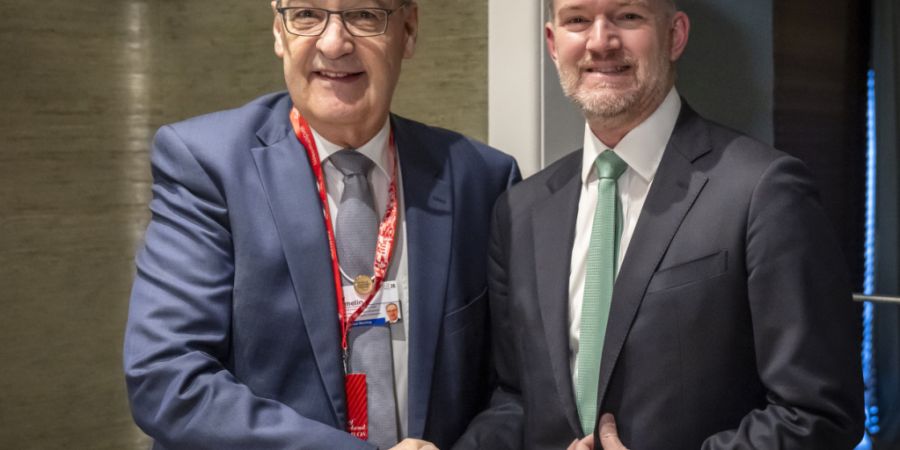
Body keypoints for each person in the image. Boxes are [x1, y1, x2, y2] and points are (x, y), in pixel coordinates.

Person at [455, 0, 864, 449]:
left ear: (675, 35)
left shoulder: (763, 190)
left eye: (628, 16)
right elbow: (517, 398)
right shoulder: (520, 210)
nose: (600, 41)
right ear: (553, 44)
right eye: (577, 20)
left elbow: (817, 413)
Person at [123, 1, 519, 449]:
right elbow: (167, 378)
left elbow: (514, 389)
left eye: (364, 15)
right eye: (307, 15)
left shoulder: (480, 180)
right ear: (279, 31)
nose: (334, 44)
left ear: (407, 30)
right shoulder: (208, 166)